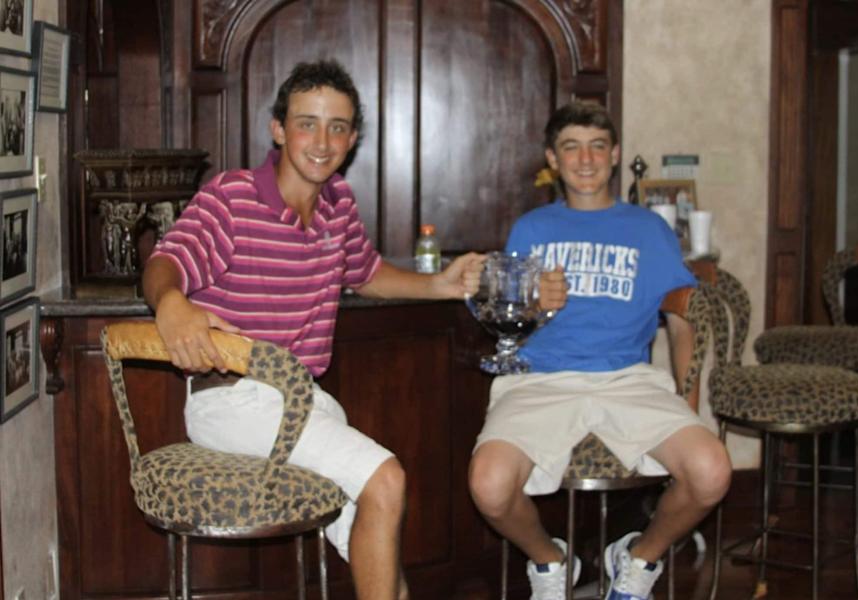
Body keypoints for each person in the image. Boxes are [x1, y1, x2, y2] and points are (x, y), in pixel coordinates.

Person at [142, 59, 483, 600]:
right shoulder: (231, 198)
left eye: (338, 127)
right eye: (307, 123)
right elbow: (166, 263)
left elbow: (367, 274)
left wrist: (442, 285)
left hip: (305, 401)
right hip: (233, 401)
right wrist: (171, 304)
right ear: (279, 130)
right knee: (386, 478)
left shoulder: (338, 202)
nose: (322, 141)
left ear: (353, 138)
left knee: (381, 551)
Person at [468, 102, 732, 600]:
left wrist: (688, 404)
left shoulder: (650, 229)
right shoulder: (533, 228)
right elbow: (506, 317)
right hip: (540, 378)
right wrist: (531, 305)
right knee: (489, 486)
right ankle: (550, 561)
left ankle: (638, 559)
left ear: (614, 155)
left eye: (596, 146)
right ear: (553, 157)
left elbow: (680, 320)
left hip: (629, 378)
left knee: (711, 471)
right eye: (571, 147)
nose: (585, 159)